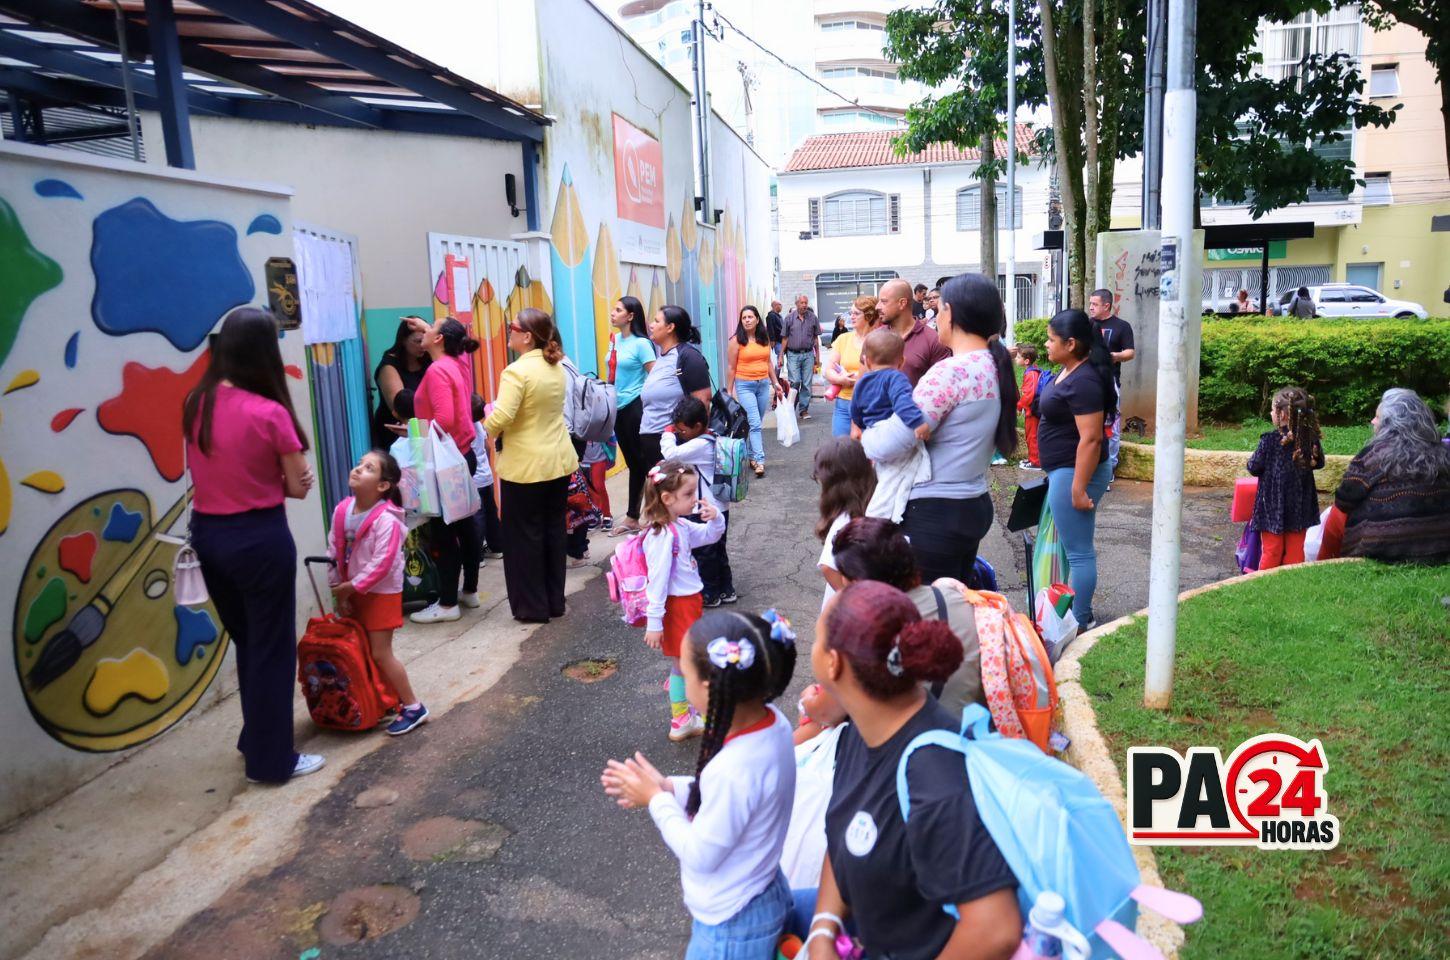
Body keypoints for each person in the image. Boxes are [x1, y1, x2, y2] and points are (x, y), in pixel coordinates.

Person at [804, 581, 1021, 960]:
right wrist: (824, 926)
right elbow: (845, 834)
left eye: (817, 637)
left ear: (833, 663)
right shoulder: (862, 728)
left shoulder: (935, 779)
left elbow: (996, 928)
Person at [601, 610, 797, 960]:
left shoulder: (734, 766)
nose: (680, 680)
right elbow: (738, 795)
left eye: (684, 674)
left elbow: (700, 855)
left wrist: (656, 802)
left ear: (707, 686)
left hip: (732, 926)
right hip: (761, 891)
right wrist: (669, 788)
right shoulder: (774, 725)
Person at [182, 307, 322, 784]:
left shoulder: (196, 402)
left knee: (250, 644)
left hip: (209, 536)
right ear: (266, 351)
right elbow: (298, 485)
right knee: (271, 651)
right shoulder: (271, 412)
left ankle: (256, 738)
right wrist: (286, 478)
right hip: (259, 539)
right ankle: (272, 760)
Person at [872, 274, 1017, 584]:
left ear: (951, 313)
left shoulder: (952, 372)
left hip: (935, 512)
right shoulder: (994, 365)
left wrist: (867, 439)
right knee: (953, 606)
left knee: (926, 616)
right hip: (972, 502)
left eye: (937, 310)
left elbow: (894, 440)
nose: (934, 317)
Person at [481, 309, 580, 623]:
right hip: (558, 460)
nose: (508, 332)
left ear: (527, 336)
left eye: (512, 328)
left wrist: (484, 429)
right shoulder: (555, 366)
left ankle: (532, 607)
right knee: (553, 531)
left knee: (524, 537)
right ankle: (554, 602)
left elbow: (504, 415)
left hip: (525, 466)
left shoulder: (516, 371)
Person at [830, 516, 983, 714]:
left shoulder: (872, 636)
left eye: (845, 576)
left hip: (927, 734)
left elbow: (840, 710)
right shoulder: (953, 594)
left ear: (860, 584)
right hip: (979, 723)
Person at [326, 450, 427, 736]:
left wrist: (349, 588)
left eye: (368, 468)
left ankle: (413, 706)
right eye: (359, 464)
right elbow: (333, 551)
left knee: (381, 653)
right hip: (353, 589)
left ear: (383, 485)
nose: (358, 470)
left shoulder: (388, 521)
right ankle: (385, 700)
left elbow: (382, 564)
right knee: (364, 649)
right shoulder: (342, 511)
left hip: (381, 593)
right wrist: (338, 587)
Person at [1036, 309, 1116, 629]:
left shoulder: (1084, 381)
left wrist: (1079, 489)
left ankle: (1079, 623)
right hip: (1066, 471)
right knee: (1075, 549)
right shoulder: (1073, 369)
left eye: (1051, 339)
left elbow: (1092, 439)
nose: (1046, 344)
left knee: (1080, 553)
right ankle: (1075, 615)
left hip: (1075, 473)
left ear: (1071, 344)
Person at [639, 459, 726, 741]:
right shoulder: (662, 535)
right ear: (666, 498)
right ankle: (681, 719)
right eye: (688, 495)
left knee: (683, 663)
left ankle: (686, 714)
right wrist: (654, 622)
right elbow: (657, 581)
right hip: (677, 607)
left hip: (689, 603)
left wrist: (716, 517)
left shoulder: (678, 527)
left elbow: (710, 536)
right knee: (685, 663)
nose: (694, 499)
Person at [408, 316, 484, 624]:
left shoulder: (438, 369)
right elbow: (453, 343)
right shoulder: (457, 362)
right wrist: (431, 326)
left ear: (439, 340)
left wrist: (417, 436)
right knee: (465, 528)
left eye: (429, 329)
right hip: (461, 456)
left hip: (443, 463)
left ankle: (447, 603)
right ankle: (469, 591)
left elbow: (446, 417)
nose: (423, 332)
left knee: (443, 532)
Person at [1330, 388, 1450, 564]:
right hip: (1440, 548)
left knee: (1335, 514)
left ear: (1390, 423)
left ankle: (1328, 559)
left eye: (1377, 417)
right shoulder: (1443, 452)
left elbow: (1344, 501)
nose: (1372, 421)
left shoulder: (1373, 455)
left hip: (1380, 551)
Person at [634, 305, 713, 510]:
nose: (651, 325)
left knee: (674, 503)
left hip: (671, 442)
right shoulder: (662, 356)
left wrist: (683, 436)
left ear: (670, 327)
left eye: (657, 321)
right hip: (653, 440)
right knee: (663, 504)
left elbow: (702, 401)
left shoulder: (688, 357)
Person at [663, 397, 737, 608]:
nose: (680, 434)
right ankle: (726, 589)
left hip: (705, 507)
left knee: (705, 554)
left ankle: (710, 594)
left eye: (683, 430)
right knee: (718, 550)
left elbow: (670, 455)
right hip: (719, 506)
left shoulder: (700, 445)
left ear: (697, 426)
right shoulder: (712, 436)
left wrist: (667, 433)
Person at [1246, 387, 1325, 570]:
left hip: (1272, 505)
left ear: (1282, 414)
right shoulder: (1310, 439)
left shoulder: (1269, 440)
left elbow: (1253, 467)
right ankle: (1291, 586)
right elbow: (1319, 462)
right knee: (1296, 551)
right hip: (1300, 506)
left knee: (1272, 551)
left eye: (1273, 410)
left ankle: (1265, 585)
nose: (1271, 413)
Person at [609, 296, 657, 536]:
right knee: (633, 463)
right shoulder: (615, 340)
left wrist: (644, 401)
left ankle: (653, 514)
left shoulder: (642, 344)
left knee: (645, 462)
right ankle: (632, 517)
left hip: (636, 408)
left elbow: (654, 376)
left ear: (630, 316)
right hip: (617, 408)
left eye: (618, 310)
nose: (612, 313)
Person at [813, 437, 876, 611]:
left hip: (849, 613)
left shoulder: (844, 521)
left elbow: (828, 567)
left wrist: (855, 603)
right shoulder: (872, 506)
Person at [726, 305, 785, 478]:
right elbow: (731, 367)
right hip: (744, 385)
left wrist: (775, 383)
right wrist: (730, 391)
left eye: (750, 317)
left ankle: (752, 456)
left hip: (763, 384)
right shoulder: (736, 340)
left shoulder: (763, 338)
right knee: (755, 423)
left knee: (756, 422)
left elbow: (767, 363)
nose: (747, 320)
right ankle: (759, 460)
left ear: (757, 319)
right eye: (744, 318)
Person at [1086, 289, 1135, 477]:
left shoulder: (1122, 326)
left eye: (1095, 304)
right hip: (1088, 379)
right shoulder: (1087, 324)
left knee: (1111, 425)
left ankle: (1110, 467)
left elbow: (1130, 352)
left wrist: (1114, 356)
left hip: (1110, 380)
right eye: (1090, 303)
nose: (1091, 307)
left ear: (1106, 305)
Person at [823, 297, 880, 437]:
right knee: (842, 451)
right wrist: (840, 379)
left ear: (869, 315)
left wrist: (858, 379)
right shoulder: (844, 339)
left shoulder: (881, 340)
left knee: (867, 452)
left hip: (870, 404)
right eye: (851, 313)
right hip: (844, 403)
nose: (851, 316)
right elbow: (827, 370)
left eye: (856, 313)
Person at [370, 317, 431, 448]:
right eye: (417, 341)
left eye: (424, 341)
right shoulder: (389, 366)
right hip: (396, 435)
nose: (422, 346)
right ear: (403, 340)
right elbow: (401, 408)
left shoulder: (428, 359)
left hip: (422, 430)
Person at [877, 278, 951, 386]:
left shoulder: (933, 340)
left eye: (883, 301)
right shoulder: (874, 338)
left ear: (902, 303)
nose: (877, 306)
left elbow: (944, 386)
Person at [470, 396, 503, 560]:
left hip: (473, 480)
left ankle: (477, 556)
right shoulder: (479, 425)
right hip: (486, 477)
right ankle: (497, 547)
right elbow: (487, 447)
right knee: (491, 513)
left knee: (477, 517)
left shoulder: (463, 428)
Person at [783, 295, 822, 421]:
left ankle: (803, 410)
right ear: (796, 304)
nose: (804, 305)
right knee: (795, 381)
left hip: (808, 354)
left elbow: (816, 338)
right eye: (802, 303)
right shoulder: (789, 318)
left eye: (806, 302)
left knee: (806, 383)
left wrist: (818, 357)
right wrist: (780, 356)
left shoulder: (813, 318)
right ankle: (790, 407)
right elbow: (784, 338)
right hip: (792, 354)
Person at [1016, 344, 1046, 470]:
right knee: (1032, 435)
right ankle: (1033, 458)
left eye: (1018, 357)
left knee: (1032, 435)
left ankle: (1035, 462)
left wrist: (1019, 406)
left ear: (1026, 361)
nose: (1016, 359)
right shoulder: (1033, 370)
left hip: (1032, 411)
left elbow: (1030, 394)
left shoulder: (1031, 374)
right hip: (1032, 409)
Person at [766, 300, 786, 368]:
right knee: (779, 359)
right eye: (780, 305)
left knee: (781, 358)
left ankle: (778, 376)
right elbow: (770, 329)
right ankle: (776, 376)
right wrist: (772, 340)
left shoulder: (778, 316)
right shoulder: (771, 315)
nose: (781, 306)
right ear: (775, 305)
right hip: (777, 341)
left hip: (781, 341)